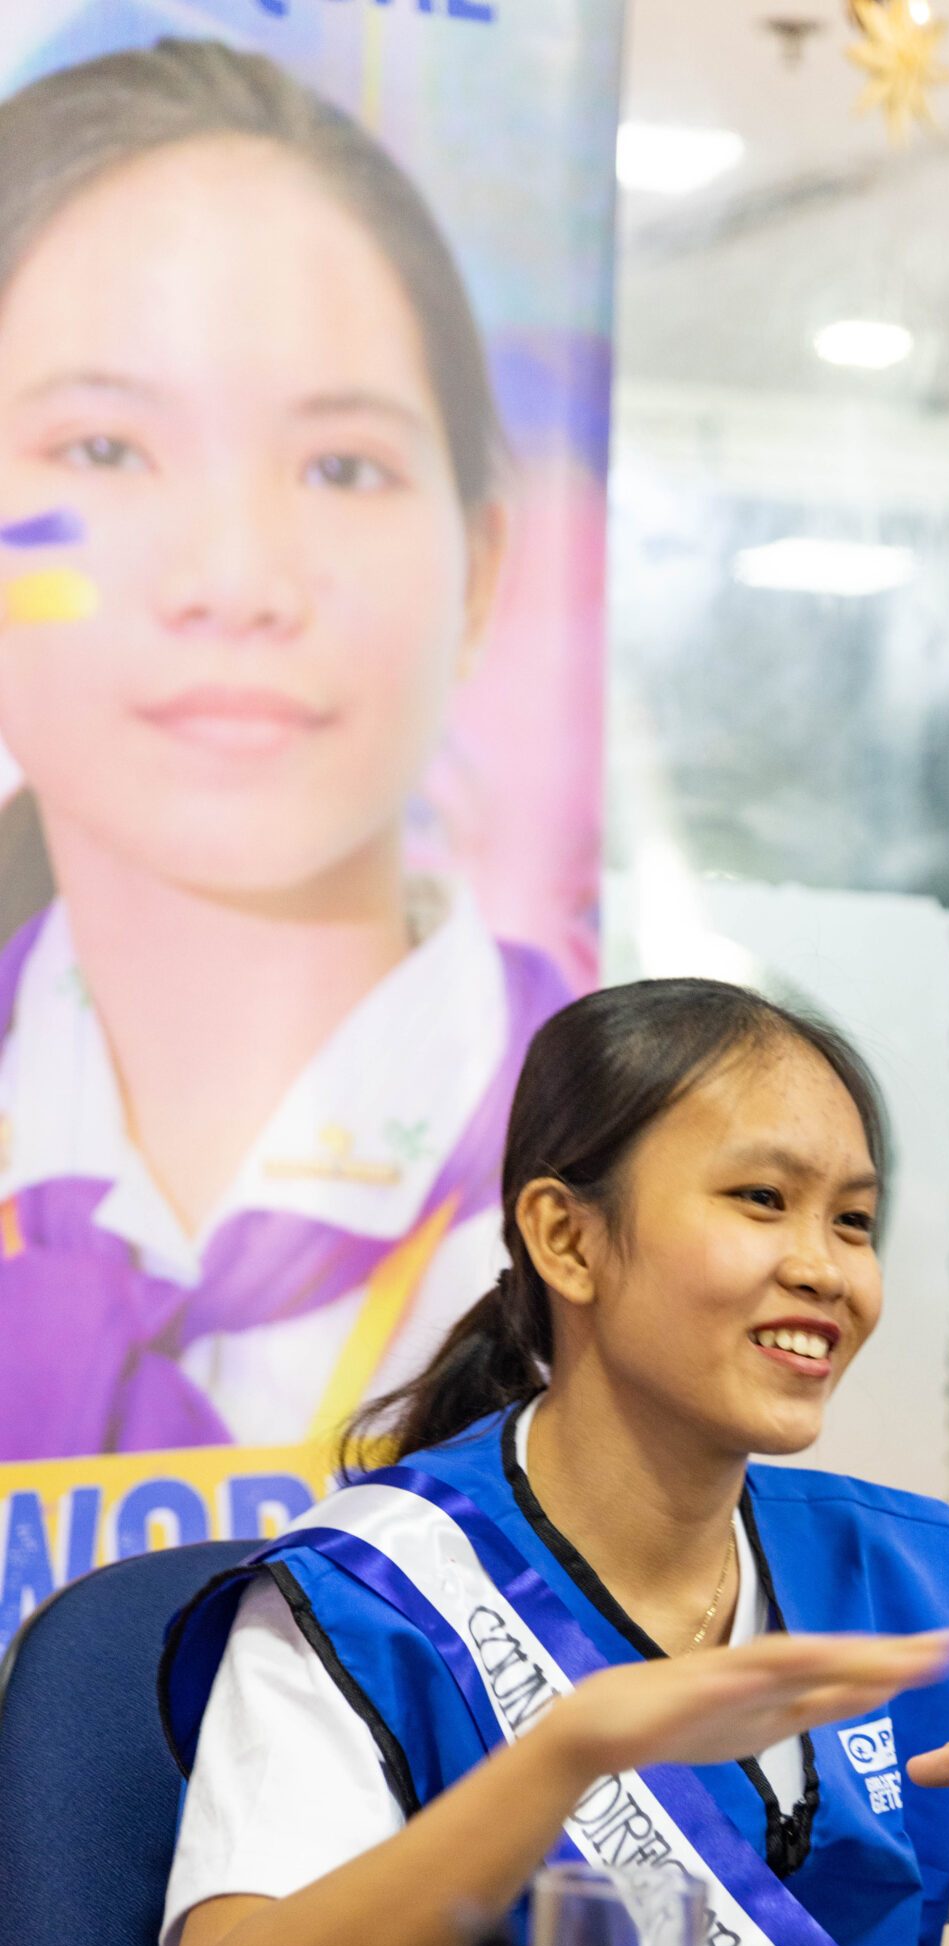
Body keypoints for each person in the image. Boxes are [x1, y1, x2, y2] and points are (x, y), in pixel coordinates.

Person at [157, 980, 949, 1946]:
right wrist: (569, 1748)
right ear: (567, 1239)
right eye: (762, 1199)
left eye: (853, 1220)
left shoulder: (895, 1573)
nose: (825, 1268)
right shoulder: (367, 1598)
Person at [0, 39, 570, 1460]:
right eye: (105, 449)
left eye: (339, 467)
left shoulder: (626, 1185)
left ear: (482, 568)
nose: (238, 577)